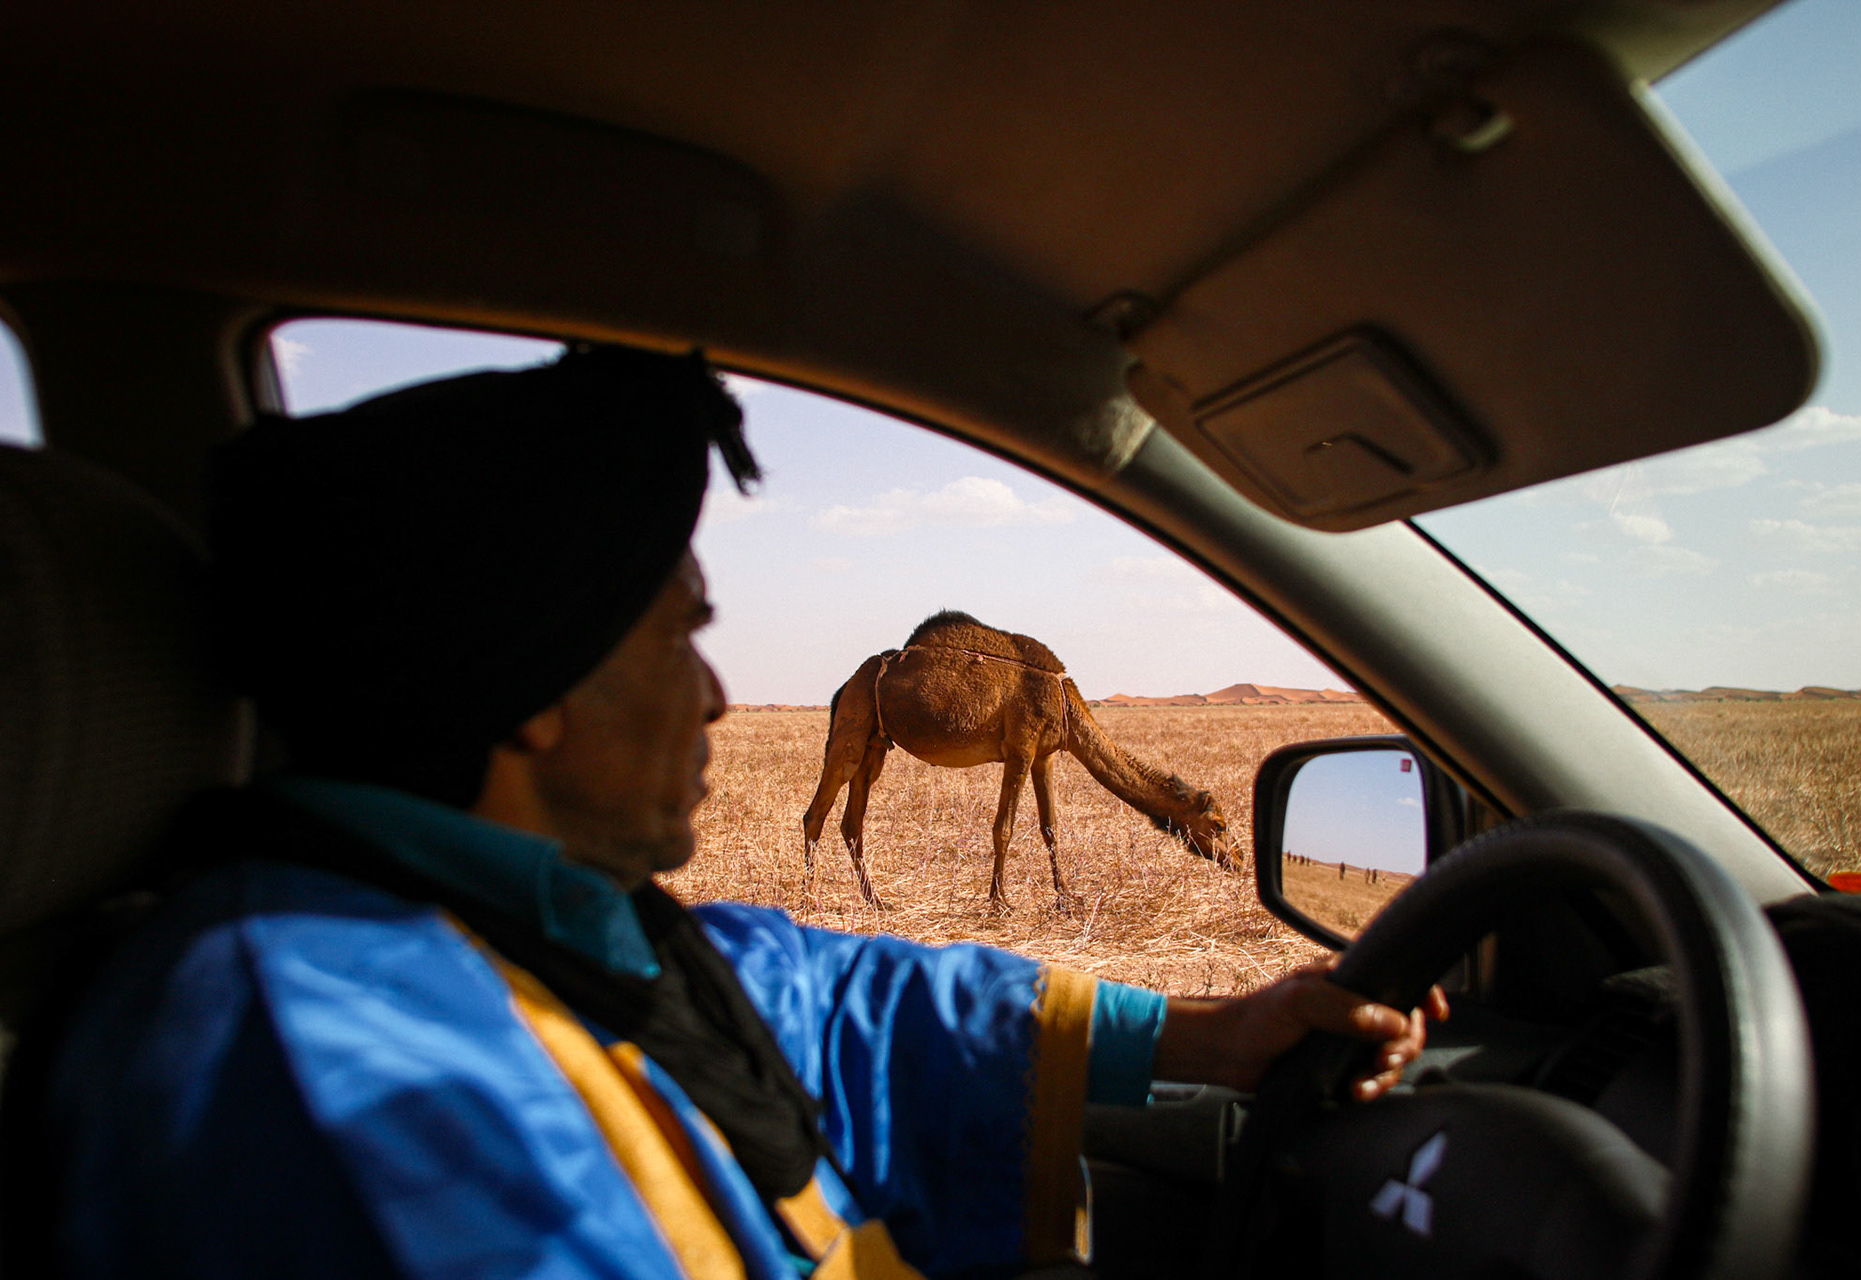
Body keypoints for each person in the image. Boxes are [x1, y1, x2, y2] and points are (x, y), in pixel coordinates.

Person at [43, 345, 1442, 1278]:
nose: (717, 697)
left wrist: (1211, 1032)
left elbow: (814, 999)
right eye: (679, 635)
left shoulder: (540, 923)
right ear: (537, 689)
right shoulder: (318, 1069)